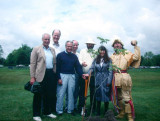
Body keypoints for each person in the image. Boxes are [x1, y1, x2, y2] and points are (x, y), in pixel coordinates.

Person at [110, 39, 141, 121]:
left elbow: (136, 57)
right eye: (115, 44)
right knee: (118, 97)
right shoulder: (111, 56)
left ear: (121, 45)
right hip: (115, 78)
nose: (117, 45)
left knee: (126, 98)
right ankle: (121, 112)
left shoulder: (126, 53)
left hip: (124, 77)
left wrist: (135, 46)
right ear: (113, 46)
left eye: (118, 43)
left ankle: (130, 116)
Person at [30, 33, 57, 121]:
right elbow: (33, 63)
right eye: (45, 39)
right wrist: (32, 77)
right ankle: (36, 114)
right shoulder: (36, 49)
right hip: (40, 75)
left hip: (50, 74)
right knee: (38, 95)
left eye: (48, 39)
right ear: (42, 39)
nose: (47, 41)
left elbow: (54, 63)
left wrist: (54, 72)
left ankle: (47, 112)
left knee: (48, 95)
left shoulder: (52, 49)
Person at [56, 41, 84, 115]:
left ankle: (70, 109)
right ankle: (59, 110)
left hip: (72, 76)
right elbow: (57, 68)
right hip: (62, 76)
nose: (69, 48)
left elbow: (78, 67)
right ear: (65, 46)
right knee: (61, 93)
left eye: (71, 46)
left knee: (71, 93)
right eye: (68, 46)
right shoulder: (60, 55)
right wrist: (58, 78)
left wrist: (82, 74)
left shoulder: (74, 56)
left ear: (72, 47)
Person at [84, 46, 113, 116]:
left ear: (105, 52)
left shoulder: (109, 60)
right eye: (101, 50)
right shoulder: (95, 59)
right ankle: (98, 111)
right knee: (98, 94)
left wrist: (109, 81)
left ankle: (106, 111)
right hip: (98, 79)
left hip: (105, 79)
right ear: (99, 52)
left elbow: (110, 71)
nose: (102, 52)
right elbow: (91, 68)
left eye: (103, 50)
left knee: (106, 95)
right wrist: (88, 74)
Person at [78, 38, 96, 115]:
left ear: (93, 45)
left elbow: (96, 62)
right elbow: (79, 59)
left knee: (93, 92)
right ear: (87, 44)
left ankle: (93, 108)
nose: (90, 45)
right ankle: (82, 108)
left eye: (92, 44)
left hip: (93, 75)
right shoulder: (82, 51)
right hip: (84, 75)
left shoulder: (96, 52)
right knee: (82, 92)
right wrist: (82, 63)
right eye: (89, 44)